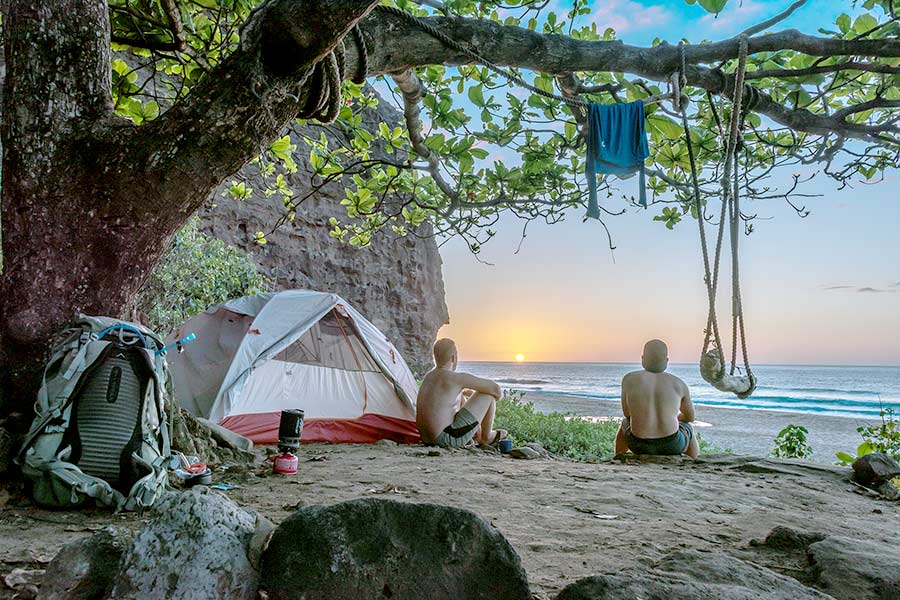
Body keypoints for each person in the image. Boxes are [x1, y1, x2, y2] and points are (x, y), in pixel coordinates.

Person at [417, 338, 508, 448]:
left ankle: (477, 434)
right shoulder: (455, 378)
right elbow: (496, 390)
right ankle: (486, 438)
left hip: (426, 438)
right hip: (445, 439)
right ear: (453, 358)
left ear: (435, 357)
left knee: (461, 397)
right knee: (488, 395)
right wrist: (482, 398)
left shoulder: (429, 377)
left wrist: (468, 395)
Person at [615, 339, 699, 459]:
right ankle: (694, 461)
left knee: (625, 423)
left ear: (643, 358)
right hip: (671, 445)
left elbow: (627, 414)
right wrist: (675, 418)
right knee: (688, 428)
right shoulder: (679, 384)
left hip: (638, 444)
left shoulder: (629, 379)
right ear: (666, 361)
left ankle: (619, 457)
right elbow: (690, 417)